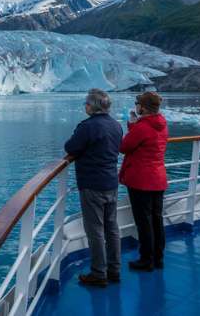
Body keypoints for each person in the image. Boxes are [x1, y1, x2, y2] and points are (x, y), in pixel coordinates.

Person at [65, 88, 123, 287]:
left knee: (95, 230)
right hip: (111, 183)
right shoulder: (116, 125)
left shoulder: (87, 127)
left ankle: (99, 273)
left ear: (93, 106)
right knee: (112, 228)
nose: (85, 106)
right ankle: (114, 270)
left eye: (87, 103)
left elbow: (71, 148)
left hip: (92, 185)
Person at [119, 91, 168, 271]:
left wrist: (131, 125)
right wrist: (135, 126)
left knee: (144, 221)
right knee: (156, 219)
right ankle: (158, 258)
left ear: (143, 107)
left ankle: (146, 260)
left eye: (137, 103)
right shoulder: (161, 124)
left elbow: (124, 147)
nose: (135, 105)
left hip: (141, 180)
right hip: (158, 178)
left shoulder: (142, 127)